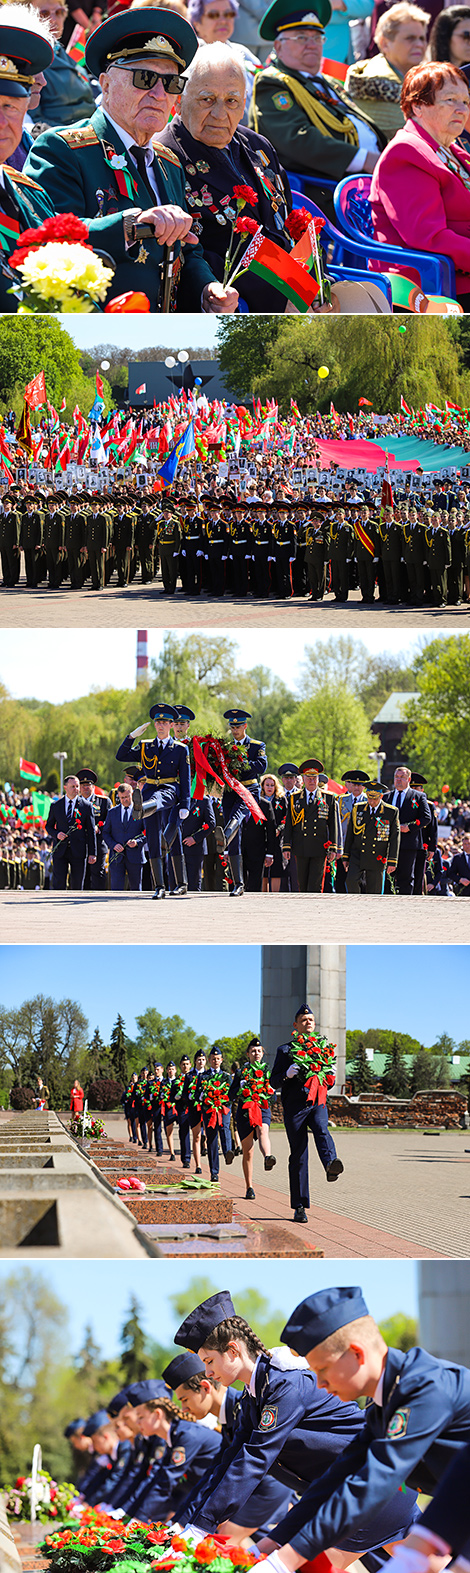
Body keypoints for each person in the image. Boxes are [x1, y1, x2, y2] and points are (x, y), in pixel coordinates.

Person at [173, 1290, 420, 1555]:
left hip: (372, 1487)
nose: (208, 1373)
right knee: (415, 1560)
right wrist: (192, 1523)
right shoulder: (253, 1396)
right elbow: (231, 1459)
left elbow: (255, 1458)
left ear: (233, 1350)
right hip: (341, 1496)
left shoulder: (285, 1383)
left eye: (210, 1361)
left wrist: (202, 1526)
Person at [26, 8, 239, 311]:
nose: (158, 93)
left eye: (171, 83)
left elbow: (187, 250)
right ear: (106, 84)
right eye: (144, 78)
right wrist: (130, 225)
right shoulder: (63, 149)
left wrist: (207, 290)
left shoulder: (169, 163)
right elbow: (47, 239)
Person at [257, 1283, 470, 1570]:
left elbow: (374, 1481)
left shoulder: (423, 1388)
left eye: (322, 1370)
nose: (319, 1384)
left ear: (356, 1354)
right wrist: (269, 1546)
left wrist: (284, 1562)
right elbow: (335, 1478)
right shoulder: (385, 1404)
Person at [158, 44, 297, 313]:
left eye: (231, 101)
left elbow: (287, 224)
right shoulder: (165, 155)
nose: (220, 114)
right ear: (179, 100)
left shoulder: (258, 145)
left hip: (290, 283)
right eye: (207, 99)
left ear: (244, 103)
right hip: (233, 298)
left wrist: (317, 284)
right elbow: (185, 254)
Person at [250, 0, 386, 217]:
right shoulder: (273, 82)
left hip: (364, 184)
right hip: (324, 192)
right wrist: (365, 159)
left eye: (317, 37)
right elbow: (296, 139)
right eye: (302, 37)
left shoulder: (329, 83)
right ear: (278, 46)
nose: (312, 44)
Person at [370, 61, 470, 312]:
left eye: (466, 102)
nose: (461, 110)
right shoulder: (406, 153)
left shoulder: (450, 149)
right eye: (451, 100)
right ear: (418, 106)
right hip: (431, 282)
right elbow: (430, 238)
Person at [163, 1349, 295, 1535]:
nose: (183, 1409)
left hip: (268, 1487)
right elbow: (213, 1474)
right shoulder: (229, 1416)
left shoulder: (244, 1407)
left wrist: (190, 1523)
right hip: (254, 1489)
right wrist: (181, 1521)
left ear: (205, 1388)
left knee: (224, 1546)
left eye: (185, 1399)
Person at [271, 1003, 342, 1223]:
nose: (308, 1021)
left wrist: (330, 1076)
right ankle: (299, 1206)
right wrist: (287, 1074)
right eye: (304, 1019)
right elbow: (273, 1081)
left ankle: (331, 1164)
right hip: (295, 1107)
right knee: (299, 1155)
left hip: (317, 1101)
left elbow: (327, 1082)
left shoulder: (323, 1049)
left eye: (310, 1019)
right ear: (295, 1025)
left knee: (322, 1127)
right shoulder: (285, 1050)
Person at [116, 701, 191, 899]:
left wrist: (185, 804)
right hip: (149, 788)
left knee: (163, 809)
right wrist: (131, 736)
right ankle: (160, 886)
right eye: (158, 722)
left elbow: (184, 778)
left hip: (170, 790)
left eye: (165, 722)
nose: (161, 725)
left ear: (171, 725)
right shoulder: (145, 746)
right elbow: (121, 755)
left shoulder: (180, 749)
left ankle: (182, 883)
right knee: (153, 839)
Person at [118, 1382, 222, 1522]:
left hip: (237, 1493)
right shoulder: (172, 1437)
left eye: (141, 1417)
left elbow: (165, 1483)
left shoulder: (186, 1435)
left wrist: (137, 1521)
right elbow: (157, 1479)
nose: (137, 1423)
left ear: (157, 1415)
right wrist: (129, 1515)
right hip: (208, 1494)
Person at [346, 3, 429, 142]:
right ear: (385, 43)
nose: (420, 44)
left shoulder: (421, 74)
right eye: (410, 38)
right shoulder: (374, 77)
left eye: (422, 38)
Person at [218, 708, 268, 897]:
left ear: (245, 726)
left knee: (237, 816)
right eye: (232, 726)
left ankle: (226, 834)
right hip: (231, 791)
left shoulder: (256, 745)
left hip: (248, 789)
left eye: (238, 726)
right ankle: (238, 883)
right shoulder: (225, 746)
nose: (235, 729)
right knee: (234, 836)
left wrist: (241, 763)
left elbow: (262, 766)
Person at [26, 0, 96, 129]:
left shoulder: (59, 50)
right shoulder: (26, 59)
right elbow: (32, 121)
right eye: (44, 13)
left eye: (59, 12)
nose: (53, 20)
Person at [282, 757, 340, 894]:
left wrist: (333, 847)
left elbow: (333, 825)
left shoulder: (328, 798)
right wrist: (286, 846)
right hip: (300, 845)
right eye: (308, 777)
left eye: (314, 778)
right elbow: (289, 824)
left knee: (315, 884)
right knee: (301, 883)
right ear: (303, 779)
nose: (312, 781)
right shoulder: (294, 798)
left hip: (319, 846)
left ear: (318, 779)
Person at [228, 1037, 276, 1199]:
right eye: (253, 1051)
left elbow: (274, 1097)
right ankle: (249, 1187)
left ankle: (268, 1157)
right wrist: (241, 1089)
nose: (256, 1053)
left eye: (259, 1051)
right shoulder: (241, 1072)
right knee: (248, 1152)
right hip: (244, 1112)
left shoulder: (268, 1071)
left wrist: (269, 1091)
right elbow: (231, 1094)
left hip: (262, 1108)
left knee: (263, 1130)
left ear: (263, 1053)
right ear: (248, 1054)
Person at [343, 778, 400, 894]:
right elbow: (350, 834)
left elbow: (394, 838)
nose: (372, 801)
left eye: (375, 798)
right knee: (351, 881)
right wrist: (346, 856)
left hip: (377, 856)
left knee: (374, 891)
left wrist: (392, 860)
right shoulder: (358, 808)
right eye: (369, 797)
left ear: (381, 797)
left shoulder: (390, 812)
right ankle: (356, 904)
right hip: (358, 854)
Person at [383, 765, 431, 895]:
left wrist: (409, 827)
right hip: (388, 844)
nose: (398, 780)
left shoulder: (418, 796)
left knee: (406, 878)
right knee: (388, 878)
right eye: (396, 777)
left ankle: (405, 906)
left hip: (408, 844)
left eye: (402, 777)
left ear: (409, 779)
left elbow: (426, 817)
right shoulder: (386, 797)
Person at [46, 773, 97, 890]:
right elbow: (48, 826)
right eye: (73, 786)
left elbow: (91, 831)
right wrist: (56, 834)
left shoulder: (86, 806)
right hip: (60, 850)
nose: (76, 789)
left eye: (77, 786)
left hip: (78, 851)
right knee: (58, 883)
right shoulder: (56, 806)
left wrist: (92, 853)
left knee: (77, 884)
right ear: (65, 787)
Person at [102, 782, 147, 891]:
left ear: (132, 794)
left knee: (136, 889)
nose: (124, 800)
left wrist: (137, 842)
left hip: (135, 856)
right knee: (116, 888)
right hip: (117, 856)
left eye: (127, 797)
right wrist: (113, 845)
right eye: (121, 798)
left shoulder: (140, 811)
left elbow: (148, 832)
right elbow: (105, 833)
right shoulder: (112, 812)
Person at [76, 767, 112, 892]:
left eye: (89, 784)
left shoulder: (103, 802)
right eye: (83, 785)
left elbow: (109, 821)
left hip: (98, 843)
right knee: (82, 875)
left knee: (98, 874)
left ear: (93, 786)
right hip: (81, 844)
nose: (86, 787)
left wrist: (98, 828)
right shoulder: (75, 803)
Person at [201, 1045, 233, 1180]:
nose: (215, 1061)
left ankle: (228, 1152)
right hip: (209, 1111)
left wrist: (228, 1107)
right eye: (213, 1059)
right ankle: (214, 1172)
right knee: (212, 1140)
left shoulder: (226, 1076)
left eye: (218, 1059)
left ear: (221, 1060)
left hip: (223, 1109)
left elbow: (231, 1094)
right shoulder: (203, 1076)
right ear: (209, 1060)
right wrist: (202, 1096)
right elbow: (198, 1092)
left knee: (225, 1128)